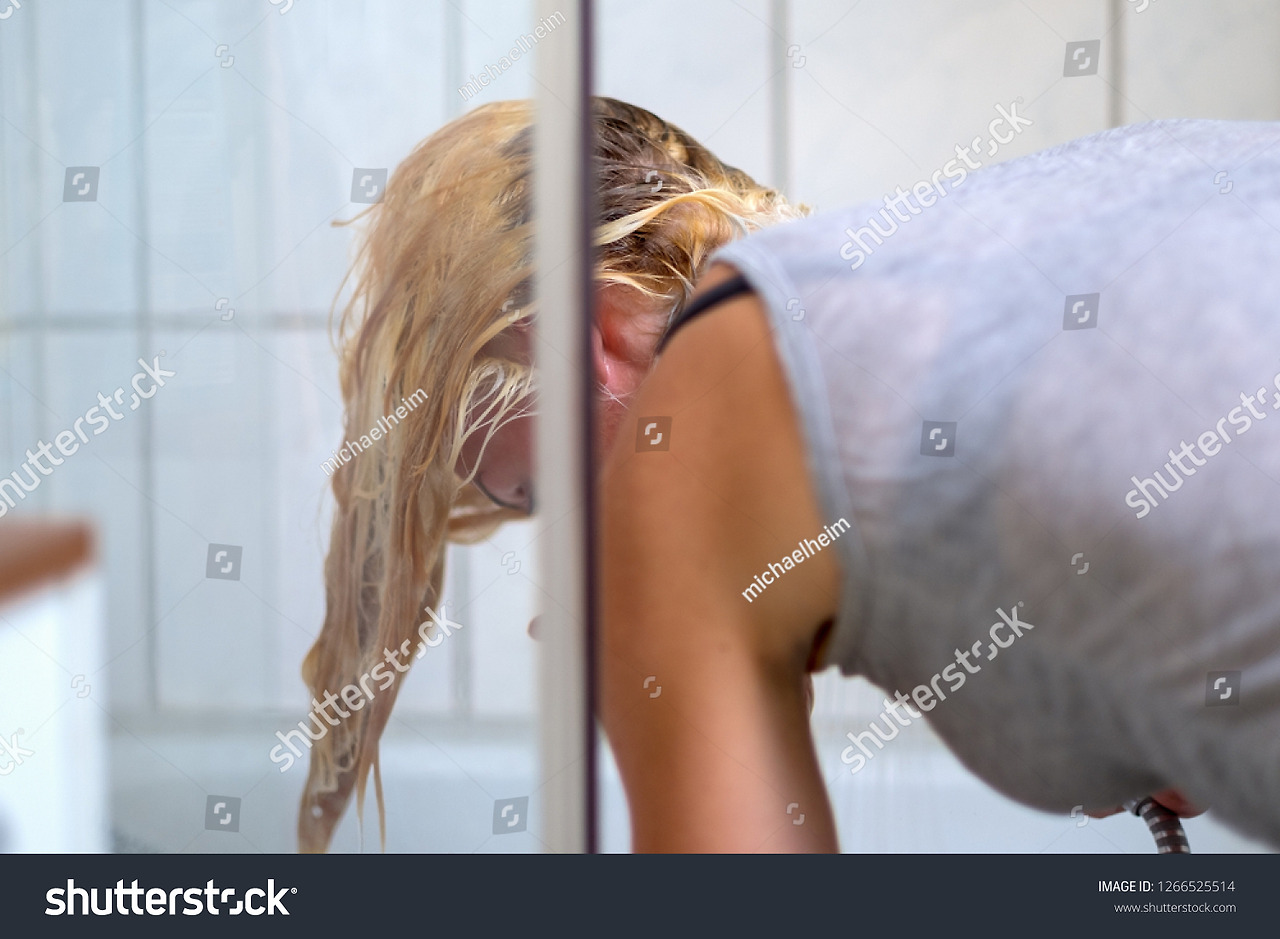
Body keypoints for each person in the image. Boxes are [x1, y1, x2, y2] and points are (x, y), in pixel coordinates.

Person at [307, 97, 1280, 853]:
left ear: (587, 340)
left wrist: (651, 643)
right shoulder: (1065, 209)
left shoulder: (690, 442)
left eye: (551, 491)